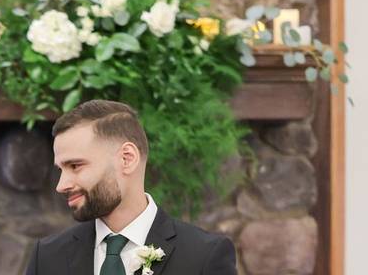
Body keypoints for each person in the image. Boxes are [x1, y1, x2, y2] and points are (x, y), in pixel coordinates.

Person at [24, 100, 236, 275]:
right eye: (60, 169)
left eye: (75, 166)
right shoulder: (47, 258)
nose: (61, 185)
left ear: (127, 159)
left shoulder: (204, 257)